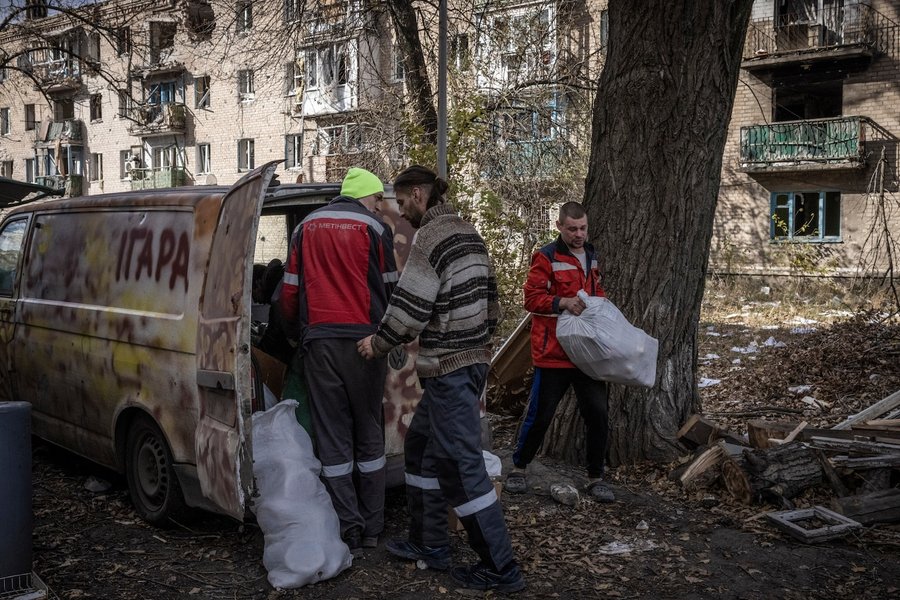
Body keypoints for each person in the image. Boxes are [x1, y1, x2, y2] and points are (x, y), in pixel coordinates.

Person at [357, 165, 525, 593]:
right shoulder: (469, 232)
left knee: (462, 467)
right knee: (420, 446)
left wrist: (377, 344)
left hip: (449, 369)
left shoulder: (430, 238)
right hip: (466, 365)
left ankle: (501, 568)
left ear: (418, 194)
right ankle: (429, 543)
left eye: (400, 201)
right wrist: (477, 347)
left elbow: (410, 308)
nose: (399, 211)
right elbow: (493, 305)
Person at [279, 167, 398, 555]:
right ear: (367, 195)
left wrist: (294, 334)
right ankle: (373, 528)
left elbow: (291, 291)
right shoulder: (375, 230)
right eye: (379, 199)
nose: (381, 207)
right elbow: (393, 289)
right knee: (369, 432)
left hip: (320, 343)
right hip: (366, 344)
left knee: (332, 436)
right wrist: (389, 337)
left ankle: (348, 526)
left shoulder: (305, 228)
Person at [505, 201, 615, 503]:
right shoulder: (546, 256)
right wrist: (562, 302)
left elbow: (595, 293)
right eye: (572, 229)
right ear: (559, 226)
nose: (579, 234)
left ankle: (595, 477)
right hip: (553, 353)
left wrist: (602, 310)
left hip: (587, 354)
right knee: (541, 415)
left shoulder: (591, 256)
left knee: (598, 414)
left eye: (583, 228)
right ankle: (519, 469)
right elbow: (531, 298)